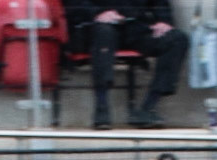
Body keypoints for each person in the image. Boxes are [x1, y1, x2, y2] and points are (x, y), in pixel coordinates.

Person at [63, 0, 190, 130]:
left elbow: (160, 3)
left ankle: (148, 108)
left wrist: (163, 22)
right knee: (104, 34)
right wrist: (97, 13)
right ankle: (101, 109)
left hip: (134, 28)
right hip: (94, 27)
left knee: (177, 39)